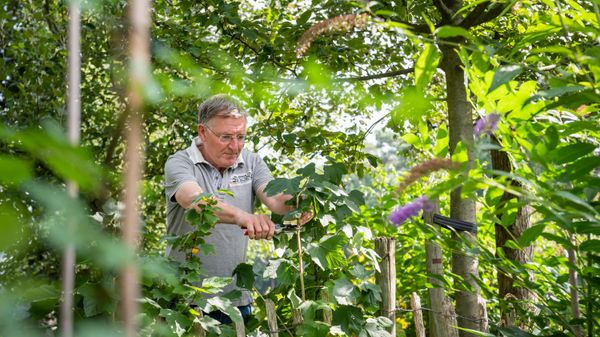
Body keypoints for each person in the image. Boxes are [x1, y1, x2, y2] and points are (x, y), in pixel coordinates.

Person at [163, 94, 308, 324]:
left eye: (241, 137)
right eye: (226, 137)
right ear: (202, 132)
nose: (235, 146)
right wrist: (245, 218)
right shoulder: (180, 163)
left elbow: (276, 199)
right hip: (186, 299)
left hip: (236, 300)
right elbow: (194, 199)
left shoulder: (251, 162)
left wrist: (300, 202)